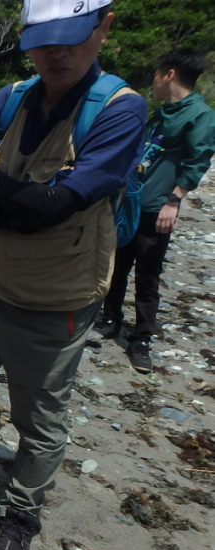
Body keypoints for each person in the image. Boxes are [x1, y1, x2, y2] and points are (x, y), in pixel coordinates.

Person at [0, 0, 146, 550]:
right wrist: (21, 200)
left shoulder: (118, 110)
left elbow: (56, 206)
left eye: (73, 37)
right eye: (44, 40)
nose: (57, 53)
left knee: (40, 420)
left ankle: (21, 514)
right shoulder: (10, 99)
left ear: (103, 28)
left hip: (55, 300)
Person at [91, 48, 215, 373]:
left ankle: (141, 338)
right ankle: (110, 318)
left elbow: (198, 157)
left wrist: (174, 201)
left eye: (158, 75)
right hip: (131, 202)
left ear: (169, 74)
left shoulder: (199, 114)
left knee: (147, 275)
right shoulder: (162, 113)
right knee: (117, 264)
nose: (154, 81)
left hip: (157, 208)